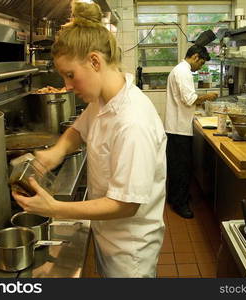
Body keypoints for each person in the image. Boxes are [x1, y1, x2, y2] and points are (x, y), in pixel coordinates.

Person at [12, 1, 167, 278]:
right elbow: (77, 131)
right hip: (107, 235)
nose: (67, 86)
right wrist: (55, 153)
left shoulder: (133, 122)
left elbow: (126, 205)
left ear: (95, 61)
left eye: (70, 75)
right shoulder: (103, 100)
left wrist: (55, 208)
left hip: (129, 253)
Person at [164, 45, 218, 218]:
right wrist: (208, 96)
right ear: (195, 57)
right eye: (201, 63)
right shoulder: (183, 71)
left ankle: (175, 197)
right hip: (179, 129)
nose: (200, 67)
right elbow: (189, 99)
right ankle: (179, 204)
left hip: (176, 126)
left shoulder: (180, 70)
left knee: (177, 167)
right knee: (181, 168)